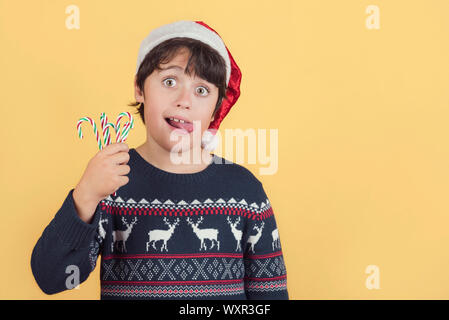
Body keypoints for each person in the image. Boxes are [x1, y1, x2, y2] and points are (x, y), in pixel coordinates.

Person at [31, 20, 288, 300]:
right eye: (169, 81)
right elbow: (52, 277)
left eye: (201, 90)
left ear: (216, 109)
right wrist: (85, 197)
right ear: (139, 89)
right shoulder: (110, 183)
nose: (184, 100)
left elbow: (270, 295)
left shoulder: (246, 192)